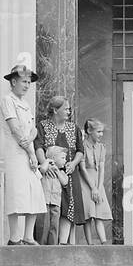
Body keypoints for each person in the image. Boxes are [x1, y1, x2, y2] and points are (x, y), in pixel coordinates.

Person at [0, 64, 47, 245]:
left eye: (29, 82)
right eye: (24, 81)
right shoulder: (8, 100)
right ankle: (14, 237)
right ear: (14, 81)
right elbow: (15, 129)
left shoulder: (26, 104)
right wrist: (30, 151)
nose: (27, 85)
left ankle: (28, 235)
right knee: (16, 194)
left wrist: (30, 142)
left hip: (28, 153)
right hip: (15, 153)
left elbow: (33, 129)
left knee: (34, 192)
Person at [34, 95, 86, 245]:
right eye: (66, 109)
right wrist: (45, 163)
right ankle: (46, 242)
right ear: (55, 110)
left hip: (69, 173)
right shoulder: (43, 126)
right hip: (49, 174)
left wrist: (74, 163)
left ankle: (62, 242)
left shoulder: (73, 128)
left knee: (69, 205)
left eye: (69, 109)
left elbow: (80, 150)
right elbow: (38, 146)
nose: (69, 111)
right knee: (50, 207)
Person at [78, 118, 113, 245]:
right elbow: (82, 168)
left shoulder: (101, 147)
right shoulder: (81, 146)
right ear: (89, 131)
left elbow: (102, 169)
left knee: (99, 214)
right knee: (88, 213)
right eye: (98, 132)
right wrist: (93, 188)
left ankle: (104, 243)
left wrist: (98, 187)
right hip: (86, 182)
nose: (101, 135)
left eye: (102, 132)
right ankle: (90, 244)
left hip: (98, 182)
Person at [40, 143, 69, 245]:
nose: (65, 160)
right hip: (45, 201)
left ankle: (53, 246)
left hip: (56, 202)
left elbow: (65, 182)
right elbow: (42, 170)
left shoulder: (61, 172)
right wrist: (47, 161)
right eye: (62, 158)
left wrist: (57, 171)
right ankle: (42, 246)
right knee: (44, 225)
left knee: (54, 226)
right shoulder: (46, 167)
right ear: (54, 158)